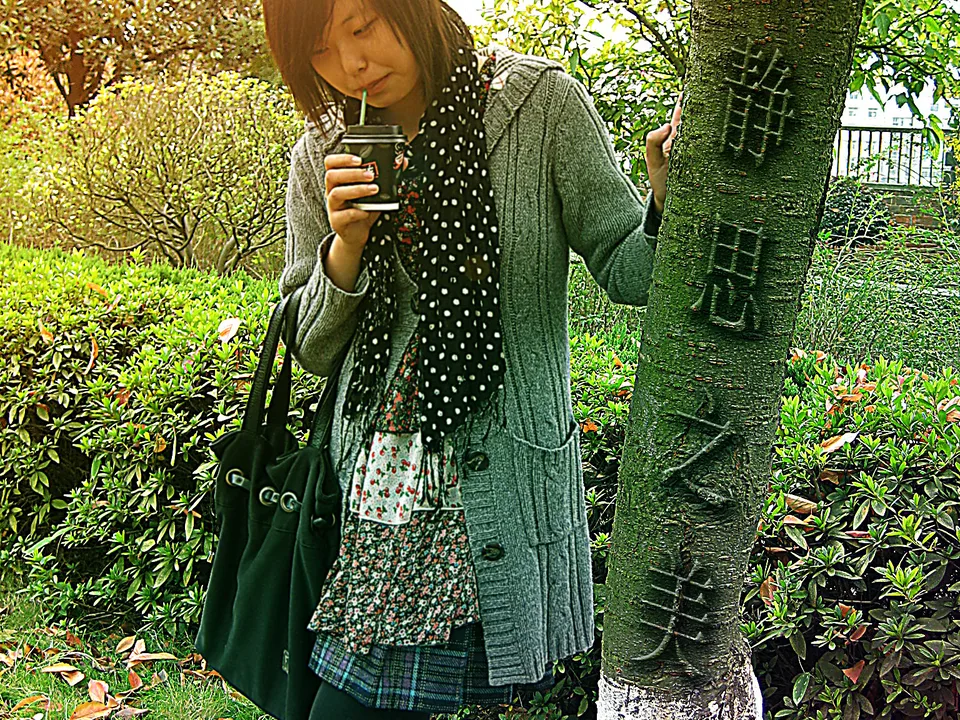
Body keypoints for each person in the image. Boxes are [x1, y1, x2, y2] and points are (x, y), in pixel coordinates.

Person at [263, 0, 680, 717]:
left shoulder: (538, 105)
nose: (352, 64)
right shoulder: (325, 150)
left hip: (503, 468)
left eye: (361, 28)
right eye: (321, 53)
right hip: (380, 487)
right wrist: (346, 247)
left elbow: (627, 266)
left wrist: (667, 199)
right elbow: (310, 346)